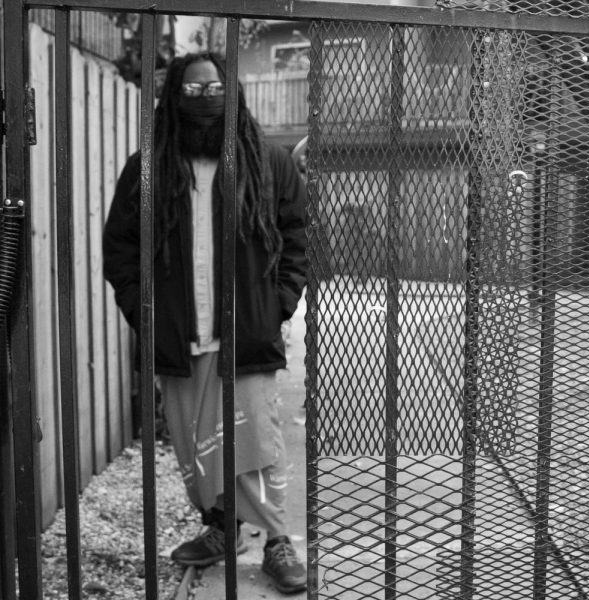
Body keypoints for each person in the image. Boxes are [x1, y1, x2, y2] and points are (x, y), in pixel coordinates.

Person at [102, 53, 308, 595]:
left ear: (232, 93)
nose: (205, 99)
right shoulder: (149, 167)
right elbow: (120, 247)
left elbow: (297, 239)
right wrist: (143, 313)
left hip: (246, 335)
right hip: (179, 335)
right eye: (192, 91)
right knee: (198, 446)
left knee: (258, 442)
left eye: (214, 88)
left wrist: (276, 305)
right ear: (172, 99)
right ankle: (222, 528)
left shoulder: (268, 163)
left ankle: (278, 540)